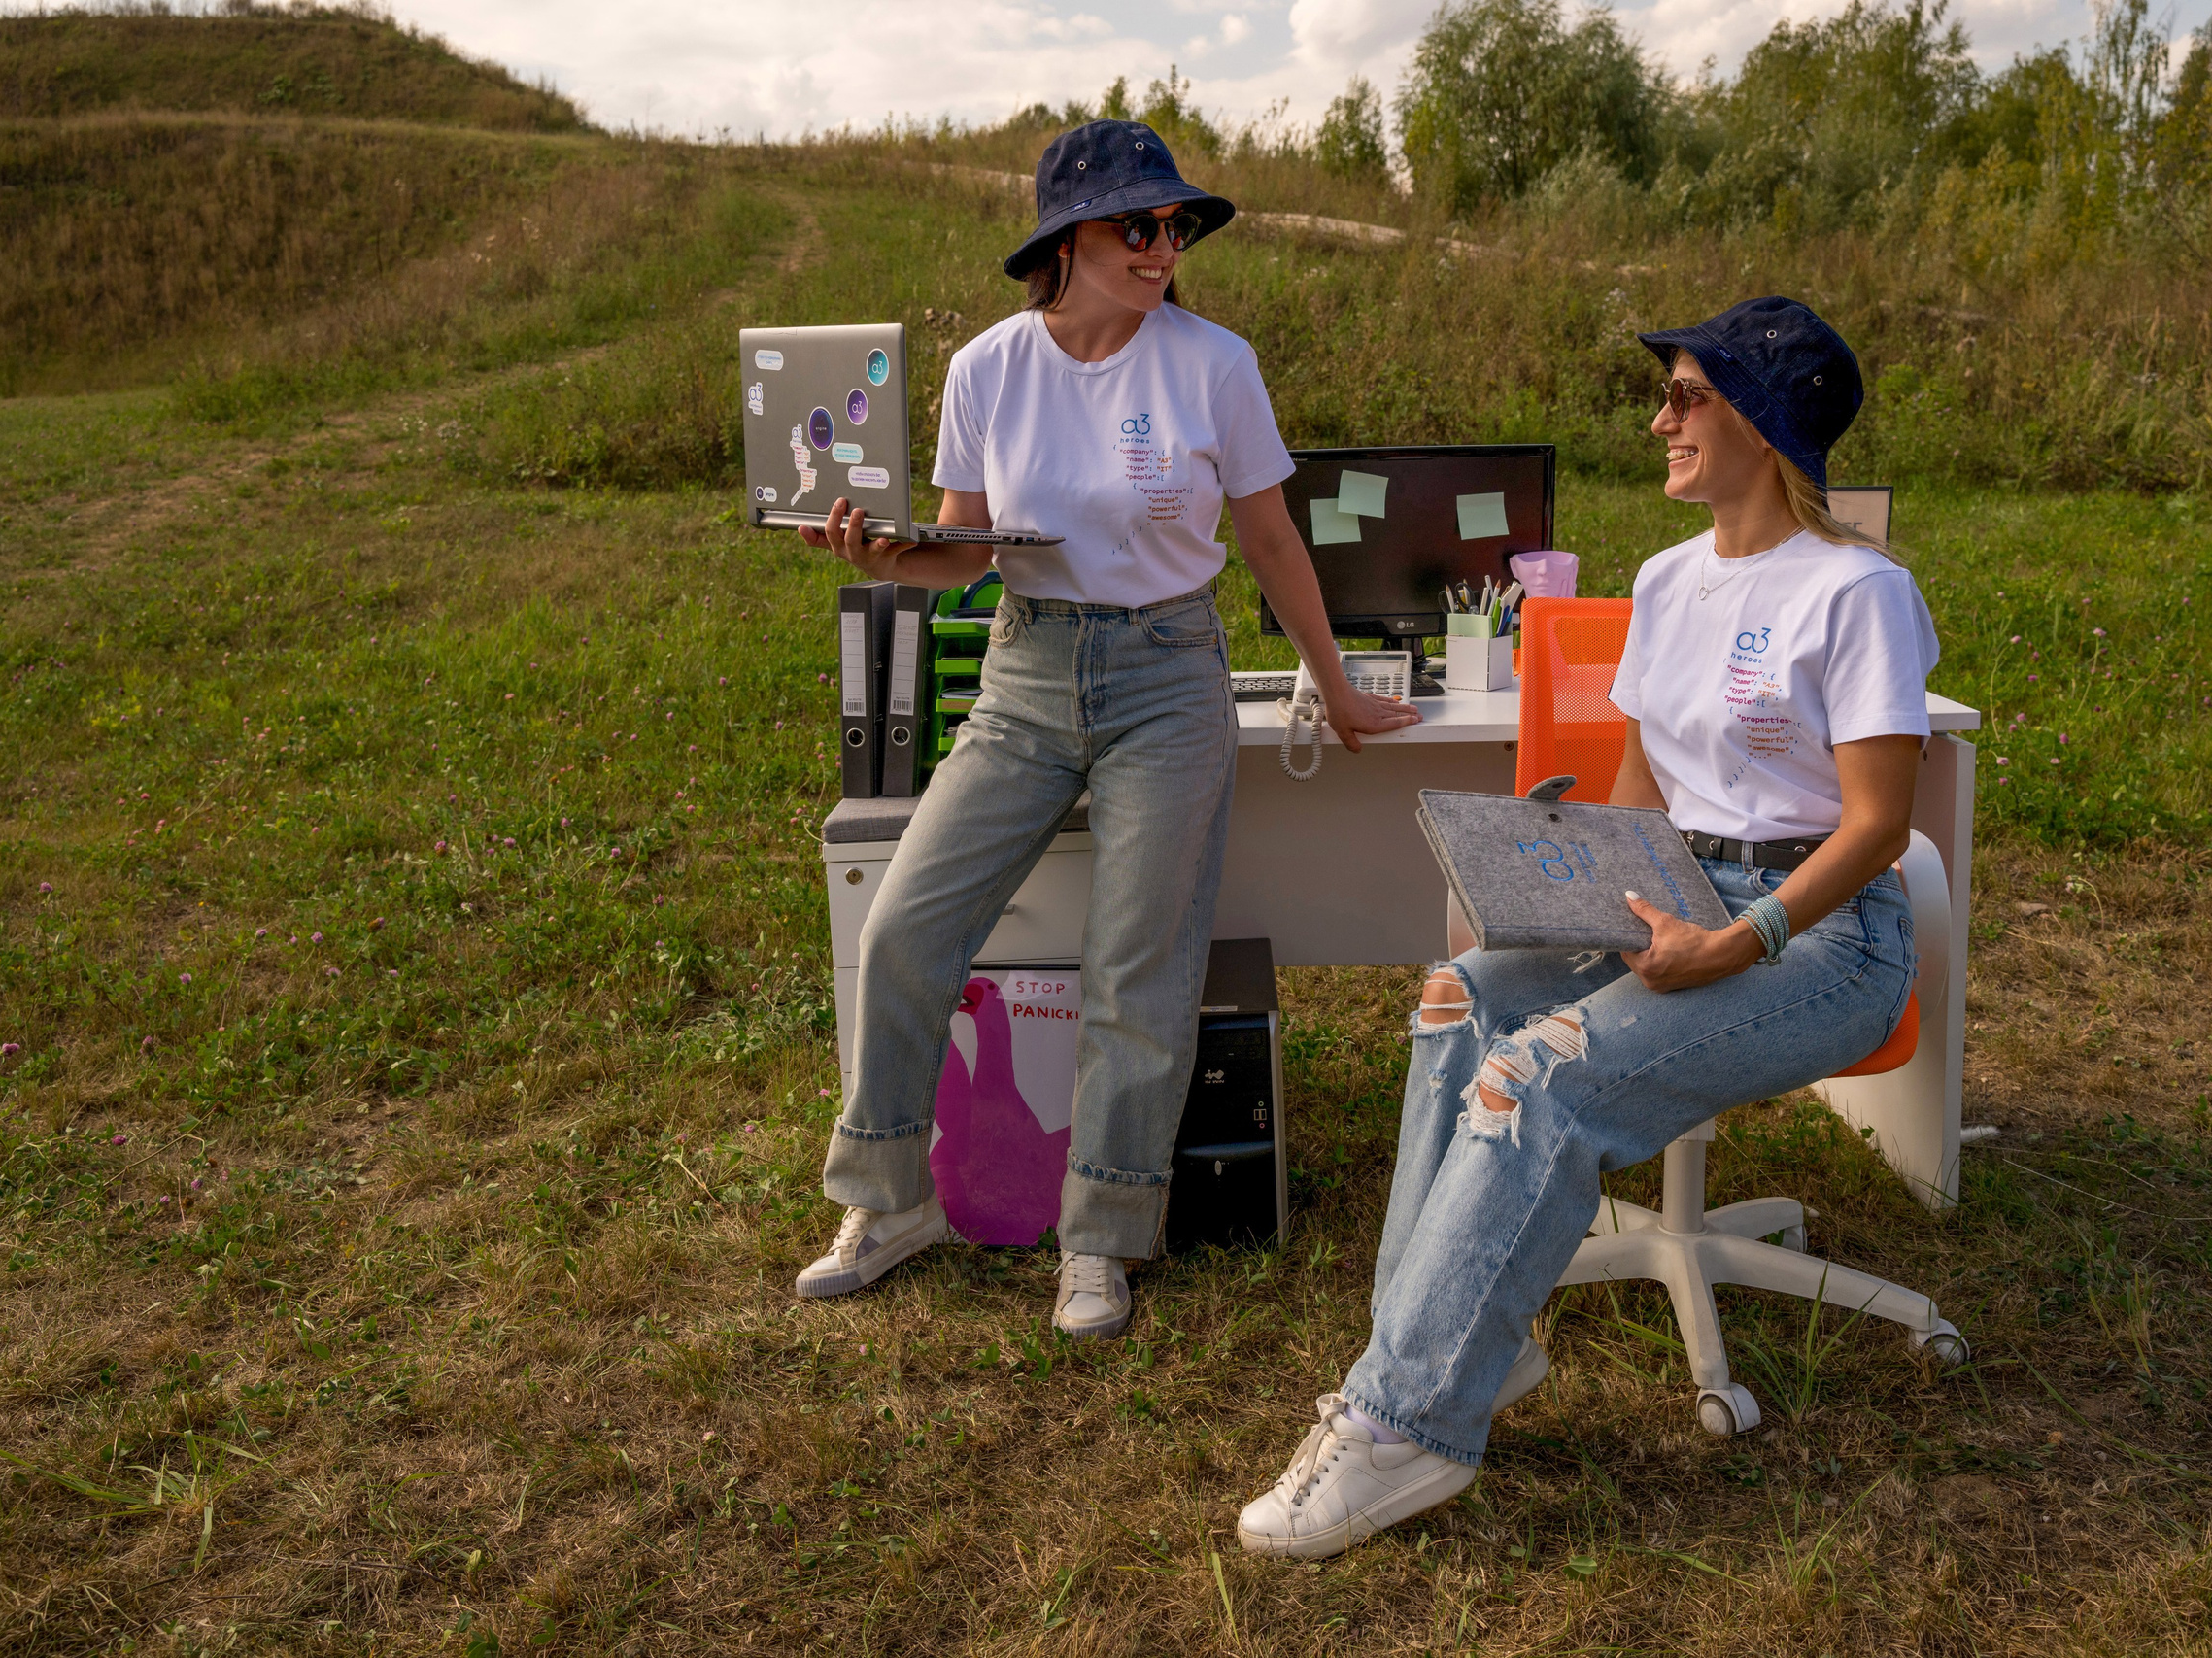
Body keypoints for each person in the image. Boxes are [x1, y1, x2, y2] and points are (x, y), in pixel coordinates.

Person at [1238, 296, 1938, 1558]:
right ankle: (1462, 1355)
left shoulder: (1860, 591)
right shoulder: (1668, 581)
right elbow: (1645, 783)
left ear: (1766, 424)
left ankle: (1403, 1423)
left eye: (1689, 396)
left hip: (1824, 942)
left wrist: (1736, 941)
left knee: (1538, 1072)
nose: (1659, 417)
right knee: (1460, 991)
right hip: (1680, 886)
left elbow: (1879, 827)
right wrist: (1584, 884)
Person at [793, 120, 1418, 1339]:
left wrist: (1330, 681)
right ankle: (887, 1200)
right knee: (909, 921)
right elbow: (966, 549)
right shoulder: (988, 369)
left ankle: (1102, 1237)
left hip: (1167, 671)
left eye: (1175, 227)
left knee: (1141, 961)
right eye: (1139, 225)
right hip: (1026, 675)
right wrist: (881, 552)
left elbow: (1271, 539)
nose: (1163, 245)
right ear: (1065, 240)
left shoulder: (1213, 364)